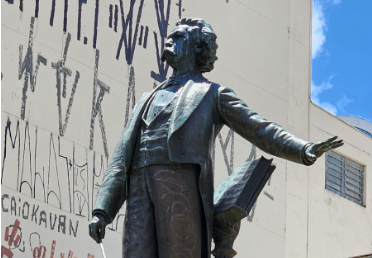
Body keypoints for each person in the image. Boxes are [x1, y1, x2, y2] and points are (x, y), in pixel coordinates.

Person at [89, 17, 343, 258]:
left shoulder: (212, 94)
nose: (169, 40)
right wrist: (102, 211)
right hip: (138, 187)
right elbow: (120, 161)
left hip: (179, 185)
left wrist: (302, 148)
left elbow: (259, 128)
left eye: (178, 37)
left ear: (198, 47)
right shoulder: (146, 99)